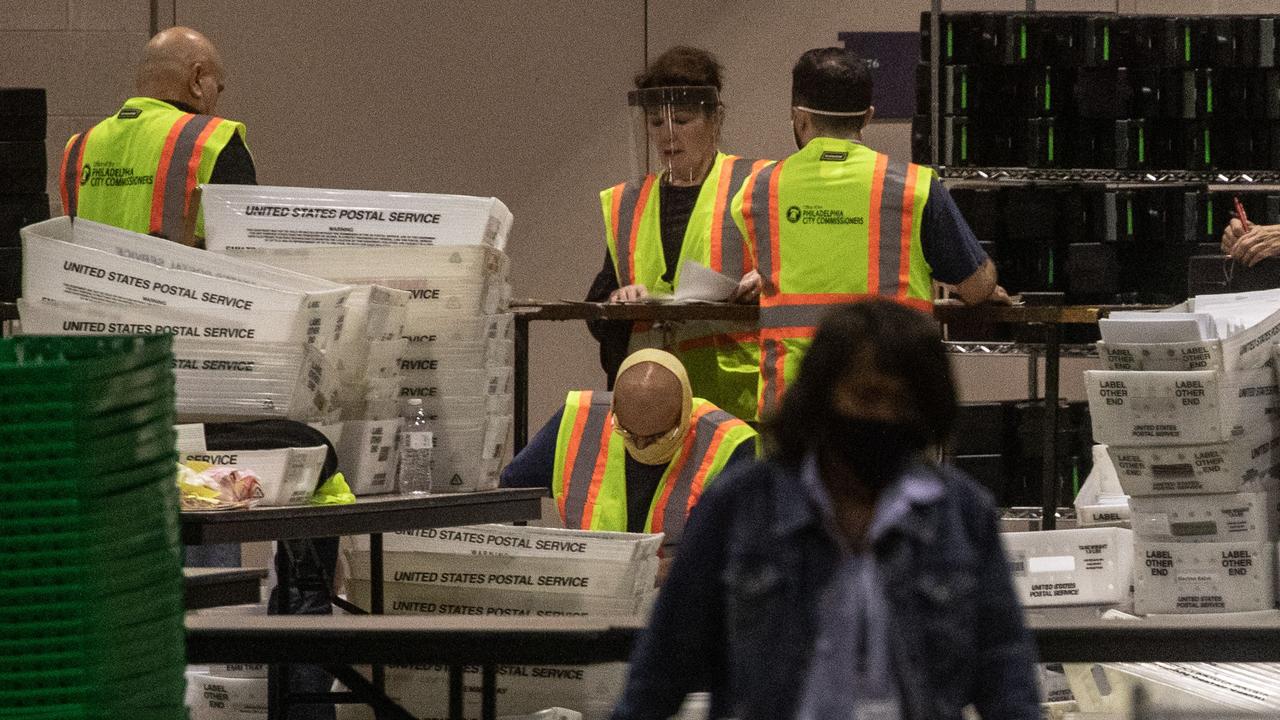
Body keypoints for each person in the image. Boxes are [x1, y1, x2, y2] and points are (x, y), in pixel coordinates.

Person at [611, 300, 1041, 720]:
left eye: (905, 402)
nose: (886, 417)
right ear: (821, 395)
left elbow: (1005, 675)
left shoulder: (962, 515)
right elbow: (662, 670)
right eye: (868, 397)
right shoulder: (741, 507)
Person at [732, 47, 1010, 417]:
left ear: (799, 119)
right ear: (868, 117)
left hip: (795, 407)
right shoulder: (914, 187)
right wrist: (986, 282)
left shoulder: (756, 190)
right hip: (892, 404)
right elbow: (976, 287)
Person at [587, 46, 771, 421]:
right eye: (656, 123)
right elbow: (598, 301)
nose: (667, 136)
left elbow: (799, 273)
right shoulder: (628, 201)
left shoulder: (758, 185)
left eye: (683, 121)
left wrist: (769, 278)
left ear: (714, 120)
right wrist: (618, 299)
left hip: (732, 403)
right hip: (651, 403)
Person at [501, 349, 757, 562]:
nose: (642, 446)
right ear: (614, 408)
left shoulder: (730, 444)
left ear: (684, 412)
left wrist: (672, 572)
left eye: (657, 437)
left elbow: (745, 554)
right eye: (628, 432)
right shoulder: (580, 419)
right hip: (592, 594)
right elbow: (508, 491)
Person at [59, 26, 255, 247]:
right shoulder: (214, 141)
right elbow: (244, 255)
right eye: (217, 88)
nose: (217, 100)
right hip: (183, 282)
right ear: (196, 79)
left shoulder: (78, 147)